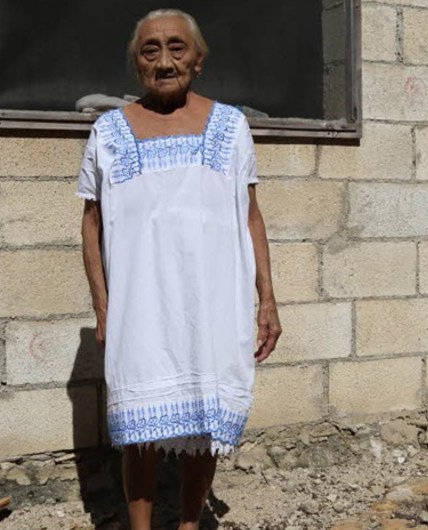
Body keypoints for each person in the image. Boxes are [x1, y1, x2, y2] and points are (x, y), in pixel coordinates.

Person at [75, 8, 282, 529]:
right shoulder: (108, 132)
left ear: (198, 60)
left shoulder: (231, 127)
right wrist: (104, 309)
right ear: (137, 64)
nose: (165, 61)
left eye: (177, 48)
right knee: (139, 430)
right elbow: (91, 224)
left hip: (212, 303)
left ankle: (190, 523)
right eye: (151, 50)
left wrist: (268, 299)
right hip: (141, 308)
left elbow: (250, 215)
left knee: (203, 420)